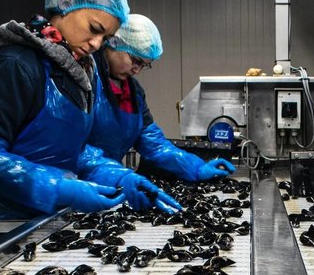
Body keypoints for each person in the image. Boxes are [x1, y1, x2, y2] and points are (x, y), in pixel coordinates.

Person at [0, 0, 180, 264]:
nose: (95, 44)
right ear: (66, 4)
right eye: (94, 29)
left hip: (38, 228)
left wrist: (119, 178)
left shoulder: (74, 76)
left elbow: (74, 151)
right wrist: (57, 186)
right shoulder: (15, 64)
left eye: (105, 39)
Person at [89, 14, 236, 181]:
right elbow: (72, 149)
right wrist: (116, 176)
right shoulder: (86, 79)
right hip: (73, 189)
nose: (137, 70)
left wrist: (197, 167)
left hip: (107, 184)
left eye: (144, 65)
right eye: (136, 60)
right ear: (114, 42)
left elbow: (155, 145)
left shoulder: (134, 92)